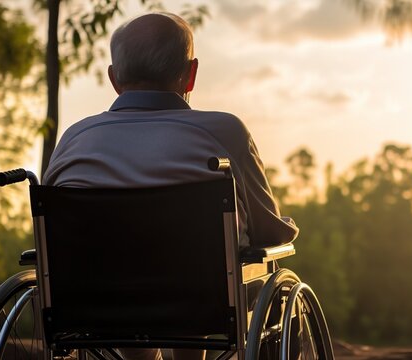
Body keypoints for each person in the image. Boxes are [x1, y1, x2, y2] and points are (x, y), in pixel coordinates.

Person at [43, 12, 299, 360]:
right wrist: (287, 230)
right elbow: (268, 231)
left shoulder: (74, 139)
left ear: (114, 78)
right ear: (190, 74)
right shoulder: (224, 133)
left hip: (96, 303)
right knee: (225, 278)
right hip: (199, 300)